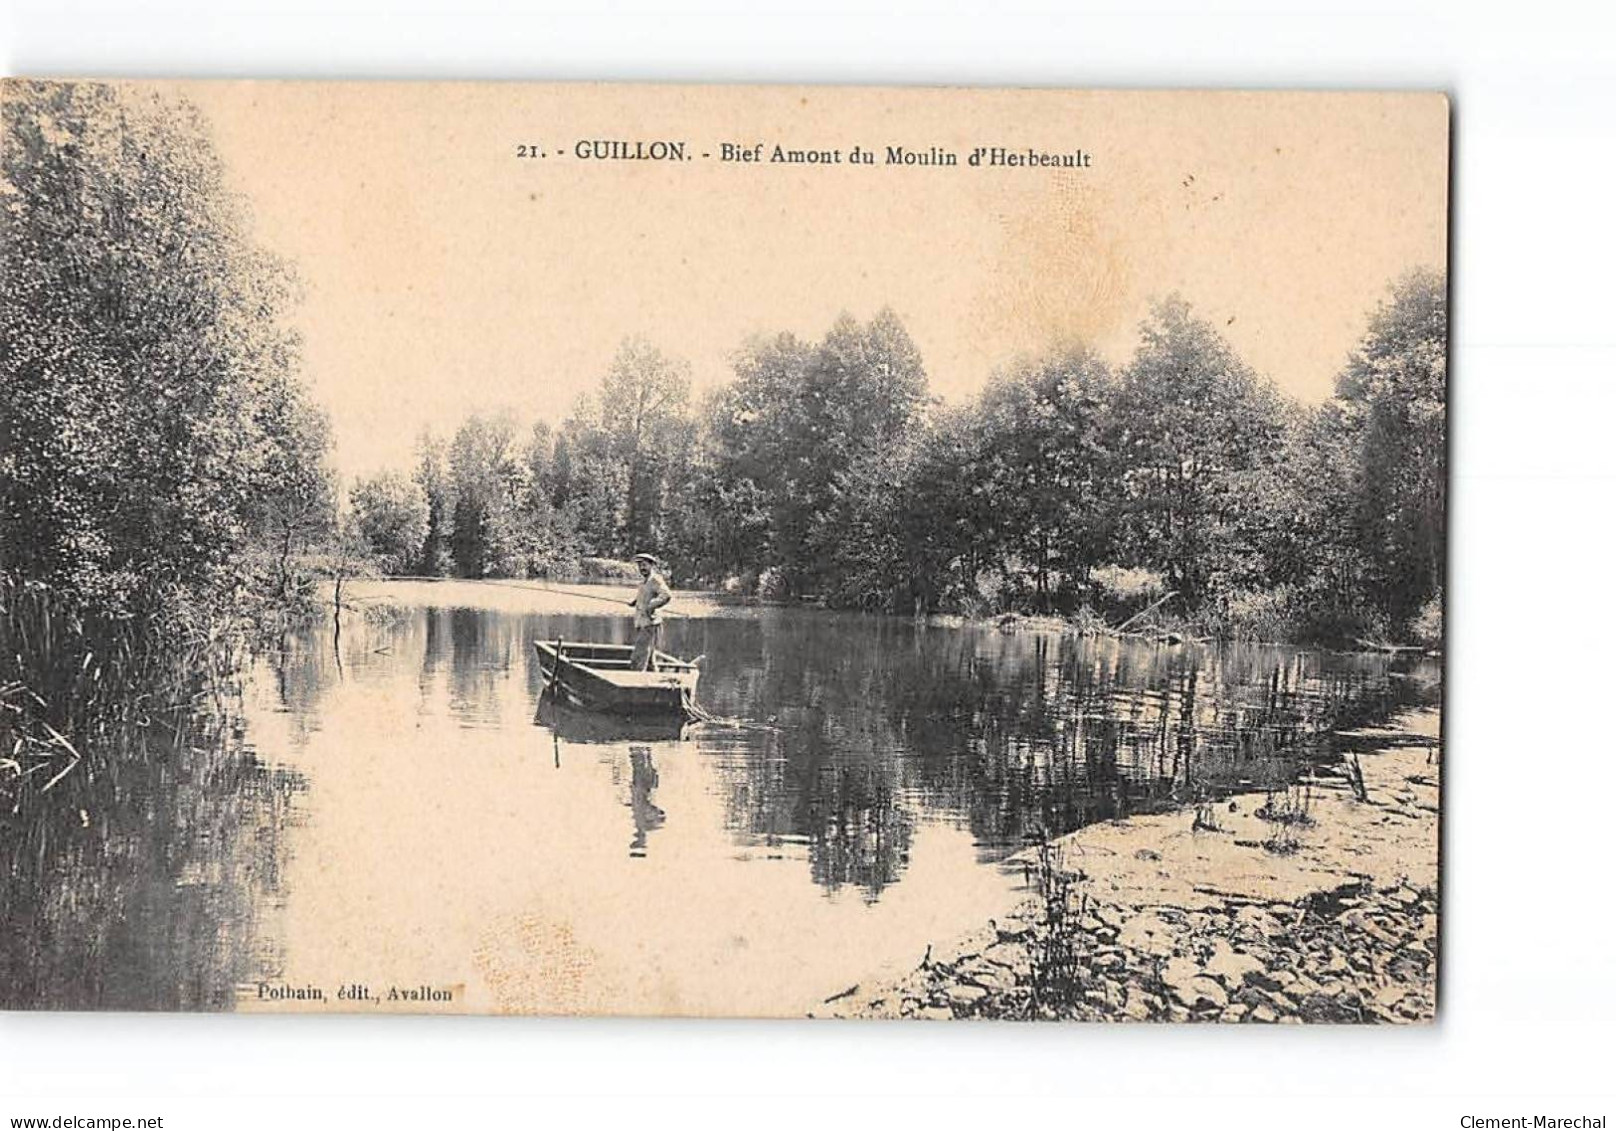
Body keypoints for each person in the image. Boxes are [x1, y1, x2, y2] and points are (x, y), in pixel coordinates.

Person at [625, 552, 672, 671]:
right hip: (642, 622)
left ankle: (636, 683)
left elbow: (666, 595)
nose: (642, 568)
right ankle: (654, 681)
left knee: (638, 656)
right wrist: (635, 602)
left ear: (651, 565)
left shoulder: (655, 579)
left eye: (644, 565)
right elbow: (645, 596)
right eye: (640, 565)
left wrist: (651, 606)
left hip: (650, 624)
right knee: (649, 658)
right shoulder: (644, 582)